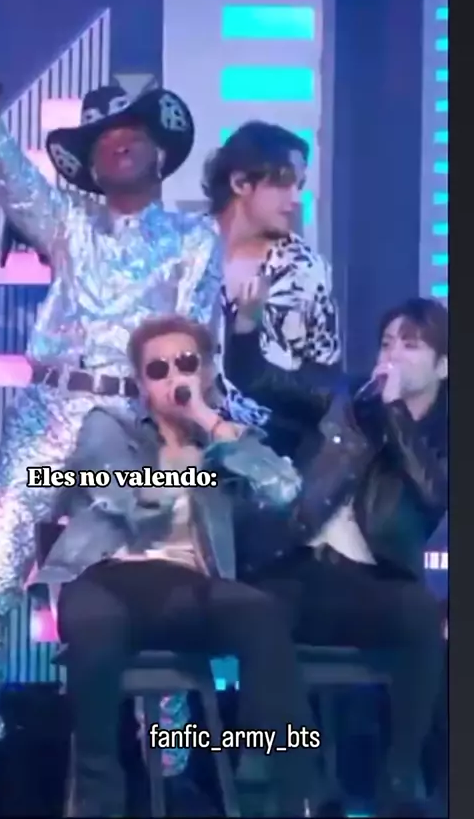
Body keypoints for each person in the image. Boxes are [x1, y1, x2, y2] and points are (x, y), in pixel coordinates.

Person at [0, 79, 222, 765]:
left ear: (161, 154)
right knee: (1, 543)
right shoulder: (67, 222)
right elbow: (13, 179)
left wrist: (178, 436)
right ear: (90, 166)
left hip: (133, 423)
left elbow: (193, 346)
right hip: (51, 413)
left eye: (131, 133)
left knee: (150, 563)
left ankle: (168, 743)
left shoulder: (192, 238)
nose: (116, 143)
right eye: (102, 139)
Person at [35, 313, 321, 819]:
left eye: (186, 363)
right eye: (157, 369)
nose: (173, 377)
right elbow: (119, 493)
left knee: (260, 612)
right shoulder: (110, 427)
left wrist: (214, 426)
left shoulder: (223, 443)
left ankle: (280, 785)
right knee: (95, 628)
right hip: (108, 576)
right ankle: (99, 798)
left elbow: (285, 491)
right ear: (142, 384)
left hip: (188, 587)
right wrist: (176, 475)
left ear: (206, 372)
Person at [243, 297, 448, 818]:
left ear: (443, 366)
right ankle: (303, 783)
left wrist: (395, 413)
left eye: (410, 345)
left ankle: (400, 777)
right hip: (304, 566)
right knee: (255, 612)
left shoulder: (444, 434)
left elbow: (431, 494)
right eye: (387, 343)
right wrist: (245, 325)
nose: (392, 354)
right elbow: (260, 380)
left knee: (423, 615)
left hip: (377, 581)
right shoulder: (343, 401)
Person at [202, 121, 342, 446]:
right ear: (240, 182)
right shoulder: (183, 252)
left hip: (273, 451)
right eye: (282, 183)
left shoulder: (306, 272)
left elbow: (324, 387)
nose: (294, 199)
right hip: (187, 447)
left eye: (299, 185)